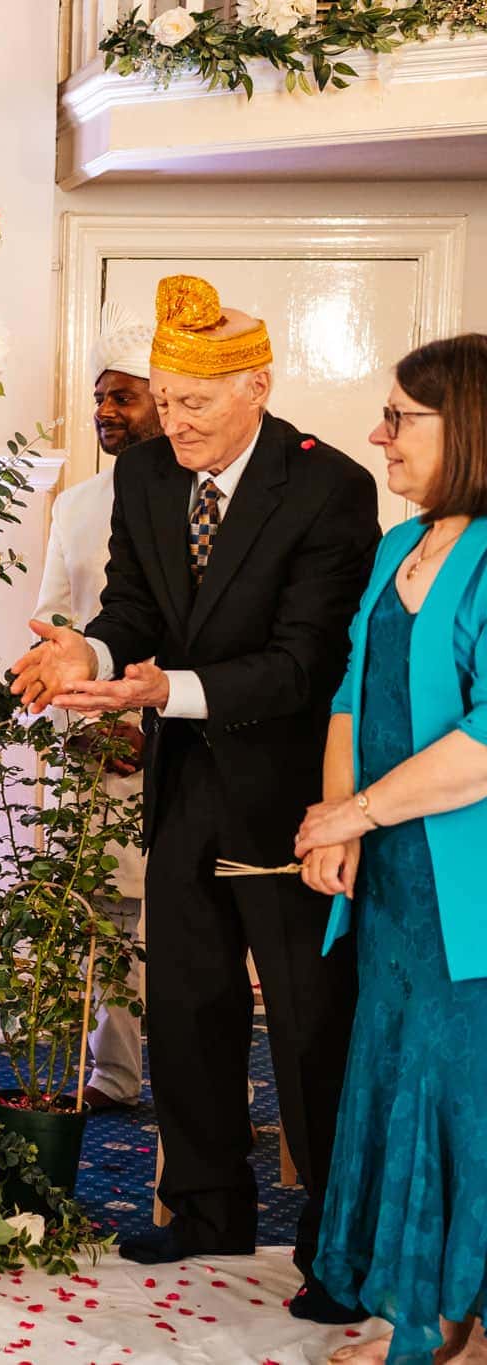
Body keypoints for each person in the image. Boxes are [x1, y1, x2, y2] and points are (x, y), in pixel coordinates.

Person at [9, 274, 377, 1320]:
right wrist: (89, 650)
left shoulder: (329, 486)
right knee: (185, 1002)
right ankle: (206, 1207)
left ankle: (336, 1245)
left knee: (307, 1027)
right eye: (164, 400)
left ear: (257, 387)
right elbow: (133, 605)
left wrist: (161, 690)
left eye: (196, 403)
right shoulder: (143, 475)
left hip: (291, 794)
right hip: (182, 786)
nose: (173, 423)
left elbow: (306, 661)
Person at [294, 335, 487, 1365]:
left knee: (464, 1097)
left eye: (401, 417)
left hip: (470, 879)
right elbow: (348, 692)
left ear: (471, 427)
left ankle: (455, 1325)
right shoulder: (395, 545)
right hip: (393, 879)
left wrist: (356, 813)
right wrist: (339, 823)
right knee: (400, 1076)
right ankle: (420, 1307)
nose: (378, 435)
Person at [29, 302, 163, 1110]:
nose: (106, 411)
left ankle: (199, 1083)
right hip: (91, 736)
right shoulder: (77, 504)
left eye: (125, 396)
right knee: (106, 913)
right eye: (100, 397)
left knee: (182, 917)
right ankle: (114, 1073)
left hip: (177, 732)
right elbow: (55, 617)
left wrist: (144, 718)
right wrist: (89, 717)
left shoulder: (198, 499)